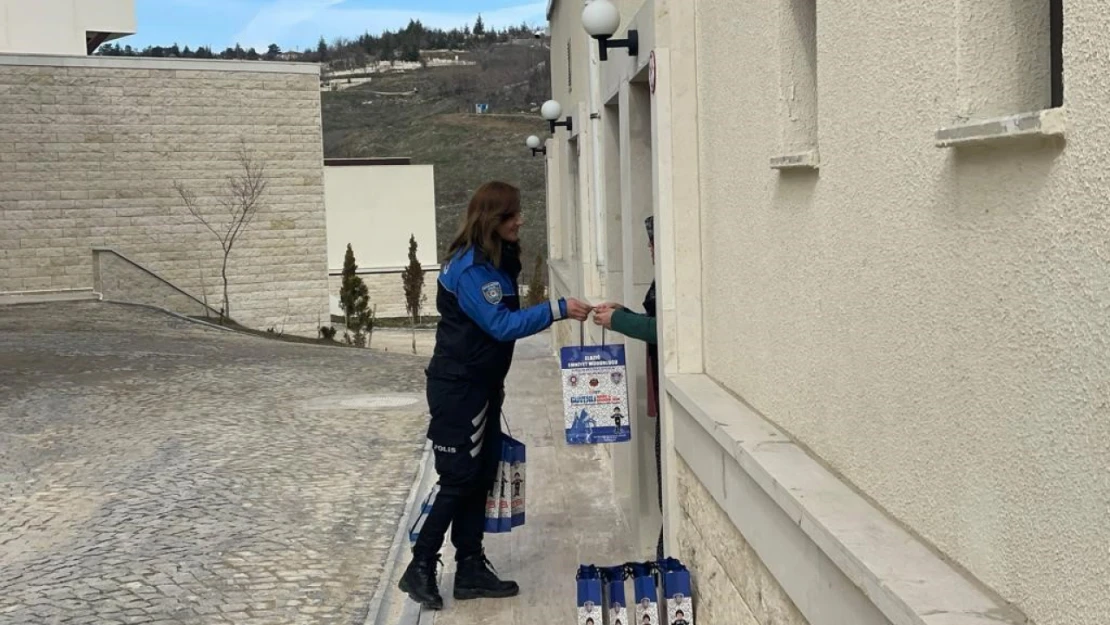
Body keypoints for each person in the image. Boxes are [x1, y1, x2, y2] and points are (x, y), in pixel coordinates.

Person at [399, 181, 592, 610]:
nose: (520, 220)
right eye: (512, 215)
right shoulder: (470, 270)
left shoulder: (495, 261)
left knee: (480, 477)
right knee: (458, 479)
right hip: (458, 389)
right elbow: (501, 326)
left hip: (484, 386)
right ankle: (419, 565)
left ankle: (469, 568)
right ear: (491, 219)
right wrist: (557, 310)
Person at [593, 216, 662, 559]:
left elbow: (664, 329)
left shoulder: (675, 279)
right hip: (659, 396)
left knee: (666, 490)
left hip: (667, 401)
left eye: (653, 242)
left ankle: (664, 556)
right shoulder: (662, 277)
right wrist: (624, 312)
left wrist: (619, 321)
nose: (650, 250)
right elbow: (653, 321)